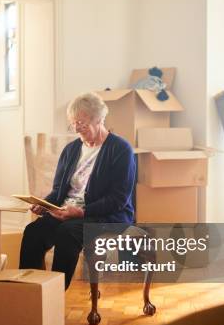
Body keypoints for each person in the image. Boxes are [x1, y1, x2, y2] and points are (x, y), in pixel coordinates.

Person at [19, 92, 136, 290]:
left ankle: (54, 295)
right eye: (73, 123)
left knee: (67, 233)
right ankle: (28, 293)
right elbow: (58, 191)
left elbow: (118, 199)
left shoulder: (120, 149)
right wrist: (44, 205)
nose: (76, 128)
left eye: (81, 122)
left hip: (107, 216)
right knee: (33, 232)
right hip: (69, 214)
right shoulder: (71, 150)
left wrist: (82, 212)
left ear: (99, 119)